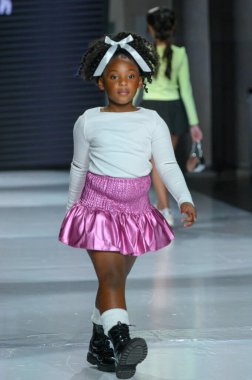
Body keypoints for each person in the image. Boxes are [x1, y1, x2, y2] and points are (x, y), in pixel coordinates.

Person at [58, 31, 197, 379]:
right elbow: (79, 166)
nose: (123, 83)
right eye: (115, 77)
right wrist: (72, 208)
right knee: (111, 278)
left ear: (142, 80)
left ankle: (97, 344)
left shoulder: (151, 121)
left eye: (130, 76)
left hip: (135, 212)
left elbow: (165, 165)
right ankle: (122, 342)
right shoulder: (88, 120)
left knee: (113, 281)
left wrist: (184, 198)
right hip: (97, 210)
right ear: (101, 79)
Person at [141, 6, 203, 226]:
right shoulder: (180, 53)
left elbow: (139, 86)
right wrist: (194, 122)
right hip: (174, 110)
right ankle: (163, 205)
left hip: (150, 109)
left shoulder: (144, 53)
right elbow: (186, 90)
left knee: (156, 163)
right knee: (165, 161)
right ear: (172, 28)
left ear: (150, 28)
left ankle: (165, 209)